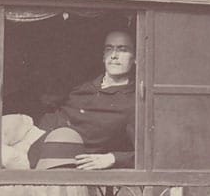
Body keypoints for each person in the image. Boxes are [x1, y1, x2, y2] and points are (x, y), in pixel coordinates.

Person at [26, 29, 136, 170]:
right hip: (34, 138)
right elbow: (53, 107)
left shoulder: (132, 102)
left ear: (135, 58)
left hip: (57, 158)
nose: (114, 56)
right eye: (109, 49)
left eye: (122, 50)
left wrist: (112, 158)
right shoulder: (84, 85)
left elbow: (149, 156)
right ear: (103, 56)